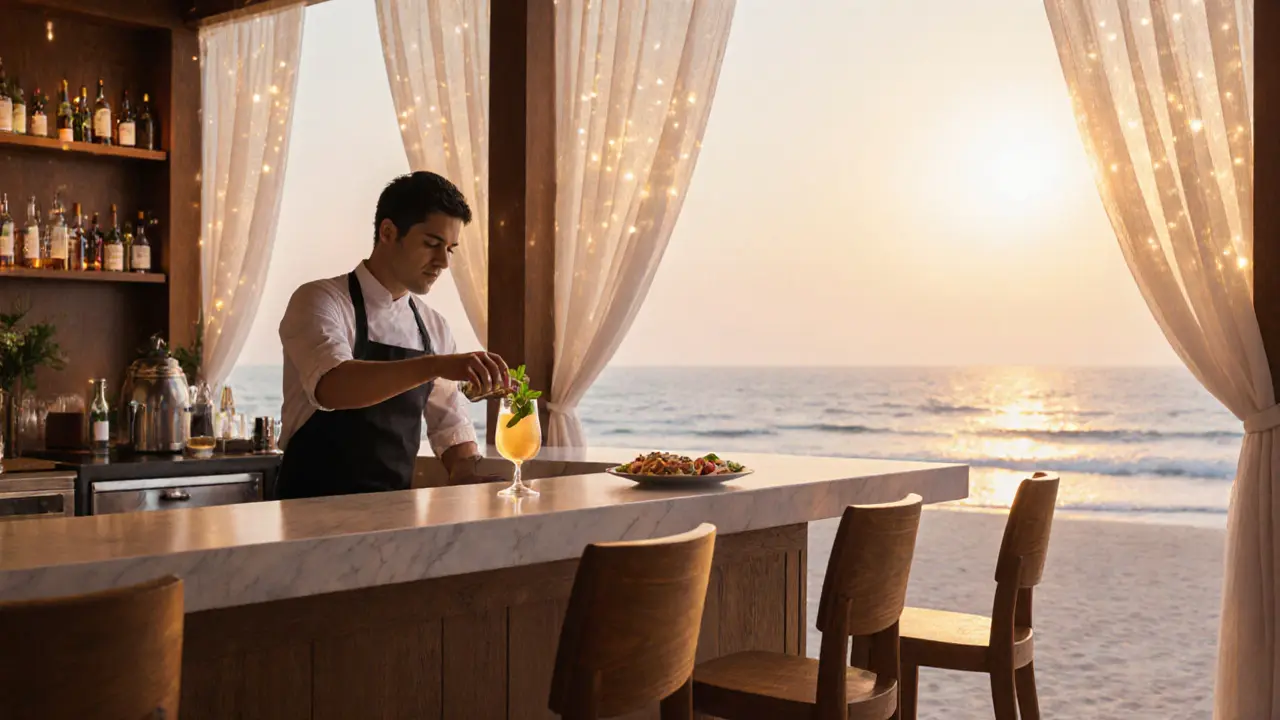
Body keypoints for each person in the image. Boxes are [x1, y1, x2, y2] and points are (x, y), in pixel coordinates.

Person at [276, 171, 509, 499]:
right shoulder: (320, 300)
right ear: (388, 232)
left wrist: (464, 472)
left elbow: (449, 423)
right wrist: (434, 366)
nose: (443, 261)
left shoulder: (434, 327)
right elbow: (332, 386)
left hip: (393, 516)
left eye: (450, 249)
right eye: (431, 244)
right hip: (309, 514)